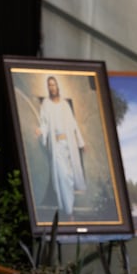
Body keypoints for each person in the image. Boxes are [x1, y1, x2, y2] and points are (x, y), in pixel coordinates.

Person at [35, 75, 86, 221]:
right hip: (56, 146)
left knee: (69, 176)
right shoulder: (46, 104)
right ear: (48, 88)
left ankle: (67, 209)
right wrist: (41, 130)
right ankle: (68, 211)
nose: (52, 87)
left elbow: (73, 124)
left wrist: (81, 142)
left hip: (68, 144)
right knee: (62, 177)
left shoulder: (64, 105)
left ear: (57, 86)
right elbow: (44, 123)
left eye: (54, 85)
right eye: (49, 85)